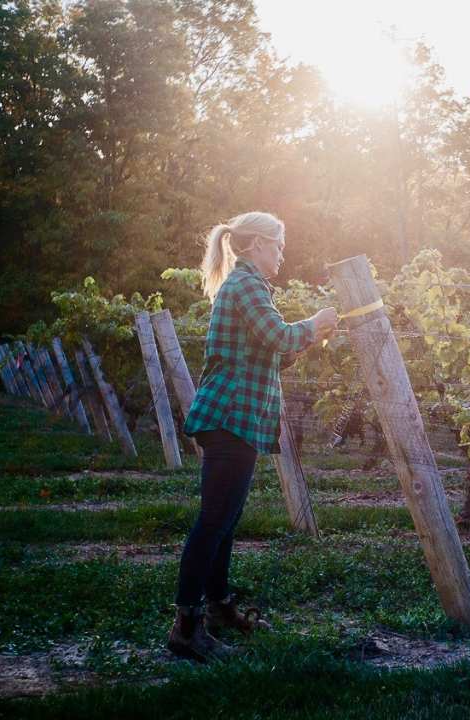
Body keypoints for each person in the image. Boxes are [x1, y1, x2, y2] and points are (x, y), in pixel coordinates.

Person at [167, 211, 339, 662]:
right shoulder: (245, 284)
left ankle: (220, 608)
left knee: (223, 521)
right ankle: (186, 626)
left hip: (236, 420)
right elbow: (277, 336)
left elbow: (274, 354)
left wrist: (311, 336)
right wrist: (315, 323)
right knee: (212, 523)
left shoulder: (249, 287)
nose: (282, 255)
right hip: (229, 418)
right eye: (278, 246)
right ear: (257, 244)